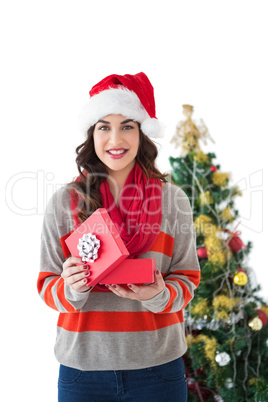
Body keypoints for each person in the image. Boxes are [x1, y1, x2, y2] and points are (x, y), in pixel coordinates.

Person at [37, 72, 200, 402]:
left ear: (142, 133)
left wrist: (159, 294)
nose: (116, 139)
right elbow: (46, 285)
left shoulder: (173, 200)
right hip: (82, 371)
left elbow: (188, 279)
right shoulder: (64, 203)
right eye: (104, 127)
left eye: (127, 125)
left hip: (158, 369)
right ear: (91, 133)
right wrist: (71, 287)